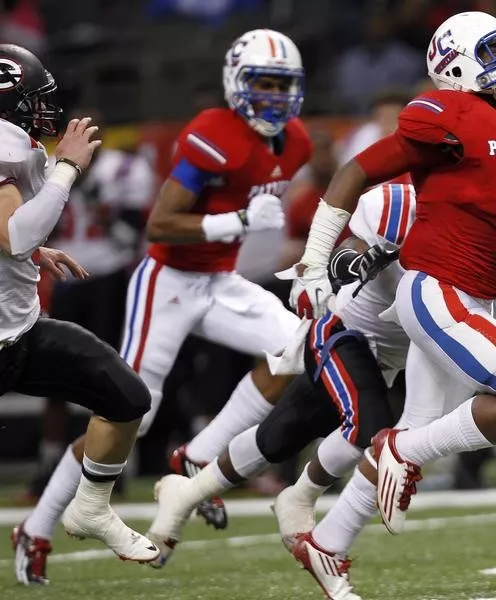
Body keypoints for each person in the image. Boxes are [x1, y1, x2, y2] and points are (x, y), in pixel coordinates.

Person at [283, 11, 496, 599]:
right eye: (495, 50)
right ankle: (400, 450)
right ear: (455, 60)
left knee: (423, 426)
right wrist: (315, 260)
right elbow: (354, 172)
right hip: (435, 289)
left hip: (477, 297)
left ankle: (330, 545)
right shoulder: (443, 113)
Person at [142, 181, 496, 571]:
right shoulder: (403, 201)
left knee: (278, 438)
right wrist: (350, 261)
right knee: (367, 432)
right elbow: (349, 249)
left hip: (401, 350)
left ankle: (189, 492)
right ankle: (302, 502)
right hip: (347, 330)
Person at [14, 28, 312, 580]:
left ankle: (197, 457)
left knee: (297, 348)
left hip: (220, 279)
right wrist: (239, 221)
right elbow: (162, 224)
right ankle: (37, 525)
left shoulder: (296, 141)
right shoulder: (211, 132)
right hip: (169, 280)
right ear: (236, 81)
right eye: (262, 83)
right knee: (131, 410)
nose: (272, 96)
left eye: (282, 85)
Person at [0, 43, 159, 585]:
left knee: (127, 398)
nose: (45, 109)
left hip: (18, 333)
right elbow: (16, 234)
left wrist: (34, 251)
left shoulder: (14, 148)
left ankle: (90, 506)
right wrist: (68, 167)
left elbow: (15, 238)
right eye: (35, 98)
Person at [25, 123, 157, 501]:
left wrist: (97, 203)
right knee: (52, 379)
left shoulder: (125, 169)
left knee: (110, 373)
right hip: (65, 277)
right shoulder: (43, 162)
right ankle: (47, 466)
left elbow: (131, 237)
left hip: (107, 278)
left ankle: (112, 469)